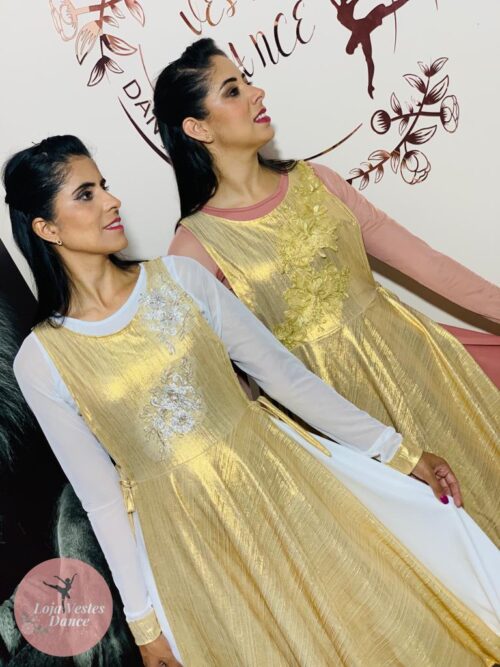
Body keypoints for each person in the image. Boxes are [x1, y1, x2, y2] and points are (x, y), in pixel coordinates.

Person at [5, 136, 499, 666]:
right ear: (47, 228)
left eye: (104, 185)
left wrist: (396, 451)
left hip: (283, 483)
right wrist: (143, 622)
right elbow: (101, 499)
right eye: (86, 194)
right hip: (192, 543)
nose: (111, 200)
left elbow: (286, 378)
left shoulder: (181, 278)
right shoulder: (40, 361)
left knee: (371, 623)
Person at [153, 38, 500, 546]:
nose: (256, 93)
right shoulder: (193, 250)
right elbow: (227, 385)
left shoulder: (319, 181)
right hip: (339, 424)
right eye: (232, 90)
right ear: (198, 128)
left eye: (247, 80)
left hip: (422, 370)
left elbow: (426, 264)